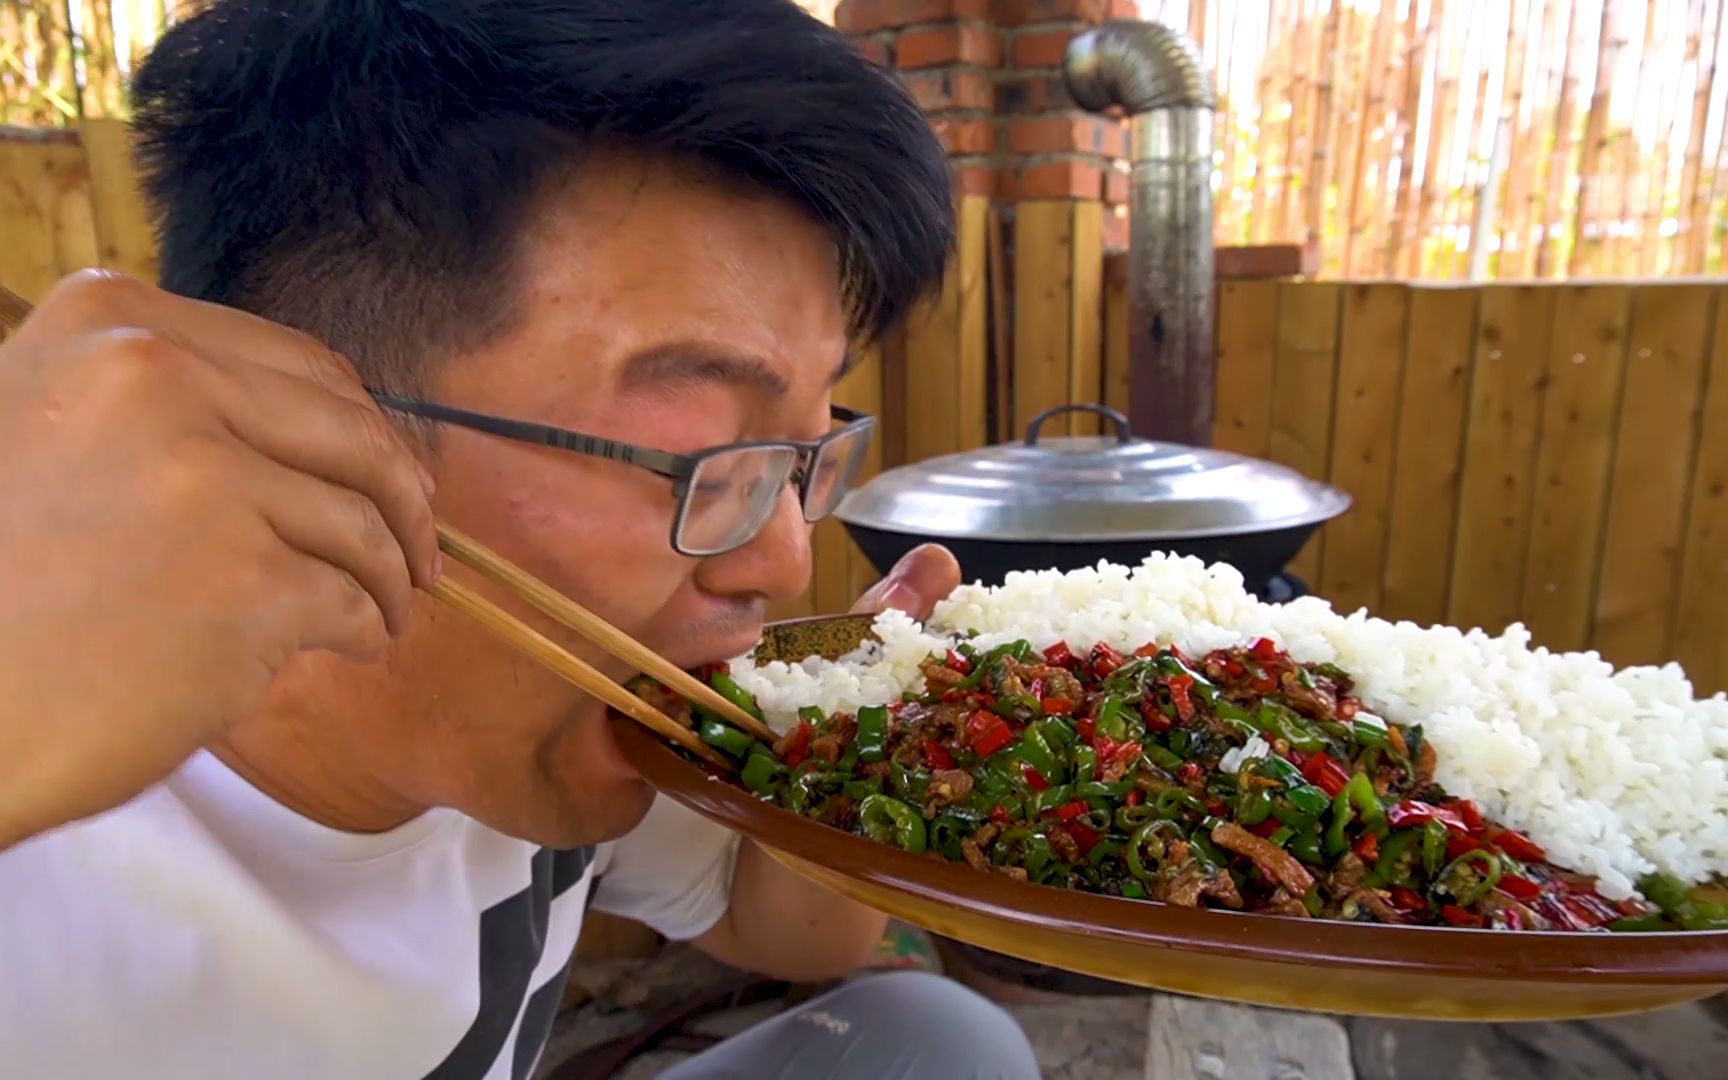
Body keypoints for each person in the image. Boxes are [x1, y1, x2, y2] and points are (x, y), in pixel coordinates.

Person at [0, 2, 1042, 1077]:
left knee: (934, 1040)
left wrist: (872, 731)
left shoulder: (561, 700)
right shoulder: (45, 841)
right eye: (702, 453)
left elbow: (792, 932)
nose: (781, 560)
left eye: (804, 452)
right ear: (304, 425)